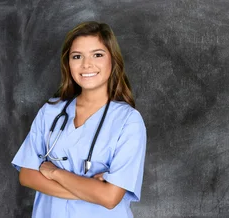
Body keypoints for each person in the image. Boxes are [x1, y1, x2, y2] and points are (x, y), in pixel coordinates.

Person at [11, 21, 147, 217]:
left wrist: (55, 173)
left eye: (97, 55)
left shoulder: (129, 121)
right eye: (77, 56)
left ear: (113, 60)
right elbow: (27, 175)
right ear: (68, 63)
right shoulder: (51, 111)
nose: (86, 65)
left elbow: (110, 198)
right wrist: (92, 190)